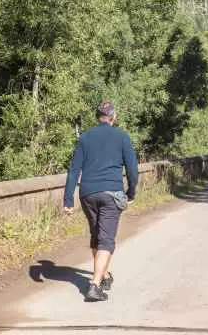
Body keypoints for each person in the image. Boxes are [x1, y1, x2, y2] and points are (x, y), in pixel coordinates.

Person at [63, 100, 139, 302]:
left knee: (97, 234)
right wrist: (131, 192)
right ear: (113, 118)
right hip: (111, 193)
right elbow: (132, 169)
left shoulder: (85, 138)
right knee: (106, 239)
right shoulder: (121, 137)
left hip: (87, 193)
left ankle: (104, 275)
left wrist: (68, 200)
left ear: (98, 117)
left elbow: (74, 170)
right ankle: (94, 286)